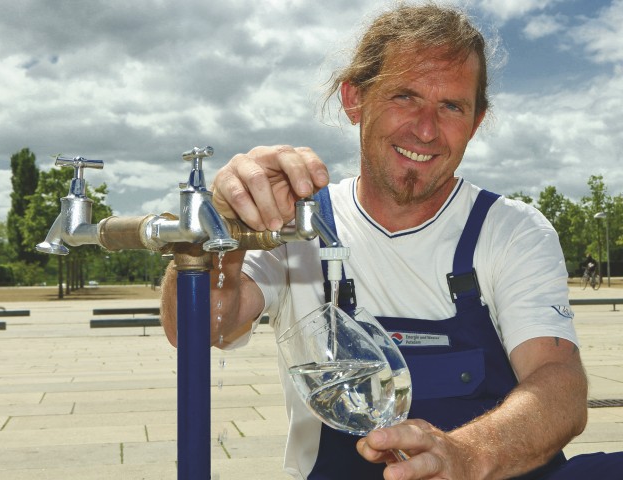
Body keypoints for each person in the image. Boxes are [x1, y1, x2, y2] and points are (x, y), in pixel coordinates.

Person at [160, 3, 623, 479]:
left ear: (477, 121)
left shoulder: (509, 230)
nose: (426, 129)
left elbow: (559, 385)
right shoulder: (296, 226)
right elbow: (200, 328)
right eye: (405, 96)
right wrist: (224, 229)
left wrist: (467, 454)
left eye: (451, 107)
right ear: (354, 98)